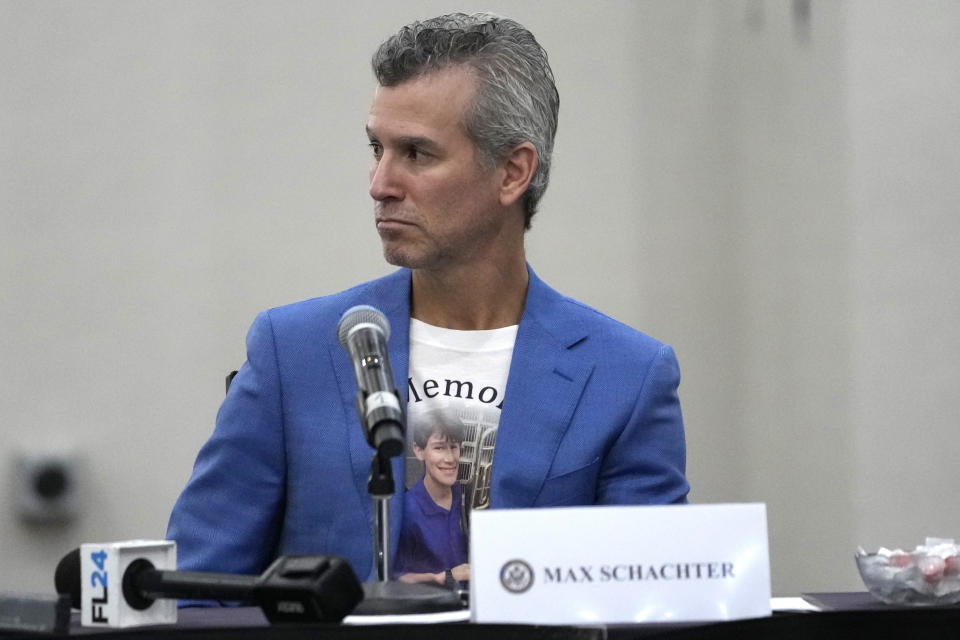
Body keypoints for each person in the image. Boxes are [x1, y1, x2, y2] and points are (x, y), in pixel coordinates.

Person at [166, 12, 689, 584]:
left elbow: (650, 599)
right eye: (376, 148)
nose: (380, 183)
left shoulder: (626, 376)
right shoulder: (292, 352)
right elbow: (194, 590)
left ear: (513, 172)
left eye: (416, 153)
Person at [395, 416, 469, 586]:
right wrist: (447, 576)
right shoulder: (406, 511)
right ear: (419, 451)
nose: (450, 458)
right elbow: (395, 578)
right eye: (439, 448)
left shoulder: (464, 494)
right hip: (433, 607)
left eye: (454, 447)